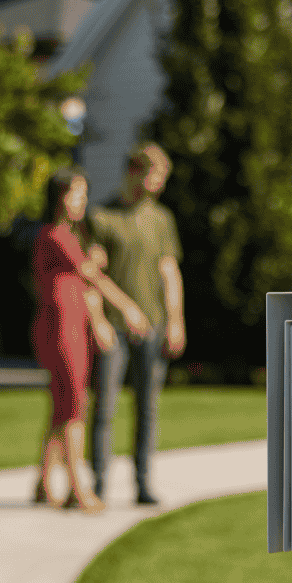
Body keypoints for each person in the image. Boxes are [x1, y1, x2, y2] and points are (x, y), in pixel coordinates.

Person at [32, 170, 150, 512]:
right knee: (74, 407)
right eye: (76, 194)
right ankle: (77, 488)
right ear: (59, 197)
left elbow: (85, 280)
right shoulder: (56, 235)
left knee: (63, 406)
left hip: (71, 324)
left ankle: (43, 482)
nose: (82, 201)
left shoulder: (69, 236)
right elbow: (91, 276)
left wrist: (97, 320)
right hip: (61, 328)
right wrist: (128, 308)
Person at [85, 142, 186, 505]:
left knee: (147, 408)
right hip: (115, 327)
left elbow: (169, 271)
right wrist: (105, 317)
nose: (160, 184)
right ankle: (98, 484)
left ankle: (143, 484)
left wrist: (176, 320)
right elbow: (92, 275)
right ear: (134, 171)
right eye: (156, 175)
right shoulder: (102, 217)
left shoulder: (161, 219)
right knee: (105, 407)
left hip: (153, 325)